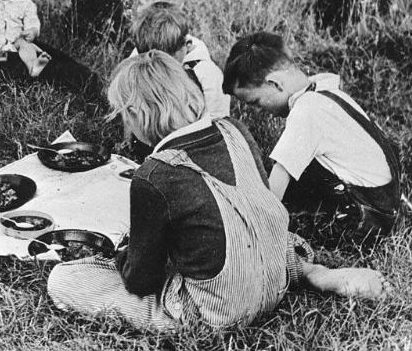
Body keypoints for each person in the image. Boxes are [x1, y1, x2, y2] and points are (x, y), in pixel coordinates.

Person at [47, 51, 389, 331]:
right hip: (273, 276)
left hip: (217, 312)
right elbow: (260, 204)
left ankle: (190, 313)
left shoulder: (154, 175)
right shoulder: (234, 129)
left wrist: (125, 254)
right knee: (247, 229)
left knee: (64, 281)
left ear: (136, 114)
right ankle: (310, 272)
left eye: (124, 116)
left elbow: (141, 280)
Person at [222, 32, 400, 246]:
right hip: (385, 205)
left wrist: (243, 233)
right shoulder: (325, 92)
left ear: (275, 83)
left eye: (257, 102)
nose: (262, 111)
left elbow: (274, 193)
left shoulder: (307, 111)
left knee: (287, 224)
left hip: (366, 219)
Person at [130, 0, 230, 118]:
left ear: (186, 45)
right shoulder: (144, 49)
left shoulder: (208, 76)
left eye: (167, 61)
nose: (158, 67)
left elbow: (217, 122)